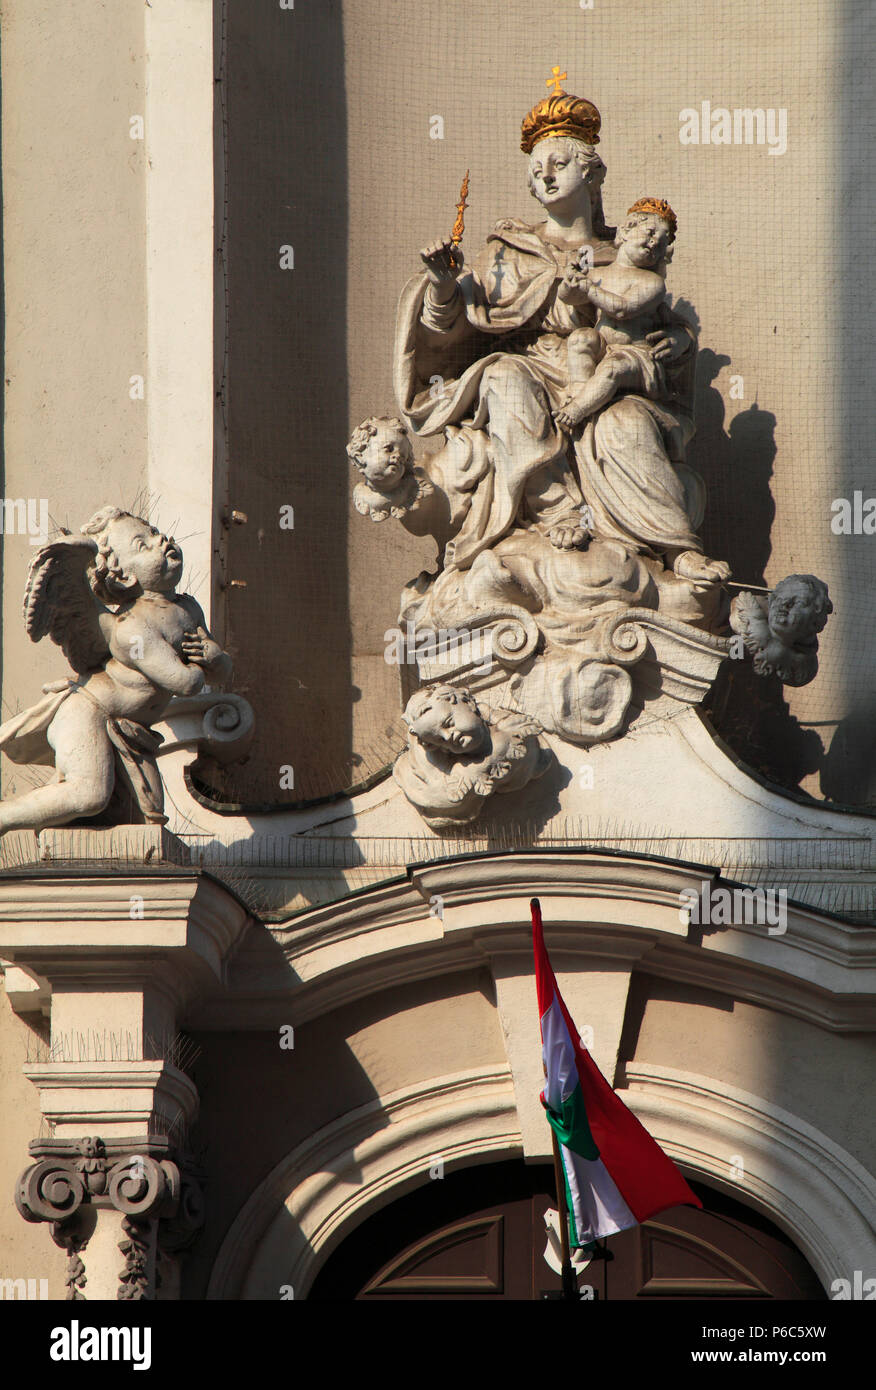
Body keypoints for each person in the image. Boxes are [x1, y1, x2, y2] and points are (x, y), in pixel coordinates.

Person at [394, 84, 729, 586]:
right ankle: (556, 512)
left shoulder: (628, 252)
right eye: (535, 171)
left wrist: (680, 342)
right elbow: (457, 332)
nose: (544, 176)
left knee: (626, 424)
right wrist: (443, 285)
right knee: (505, 379)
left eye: (557, 164)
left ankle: (674, 548)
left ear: (591, 171)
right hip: (530, 363)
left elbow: (653, 325)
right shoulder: (508, 251)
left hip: (607, 374)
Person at [556, 198, 677, 429]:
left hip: (636, 357)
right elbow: (569, 299)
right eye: (650, 232)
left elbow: (623, 309)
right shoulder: (600, 273)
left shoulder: (653, 283)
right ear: (624, 232)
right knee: (581, 338)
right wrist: (570, 283)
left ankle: (577, 409)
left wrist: (589, 288)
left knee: (613, 367)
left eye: (661, 242)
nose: (653, 242)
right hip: (603, 347)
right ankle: (580, 390)